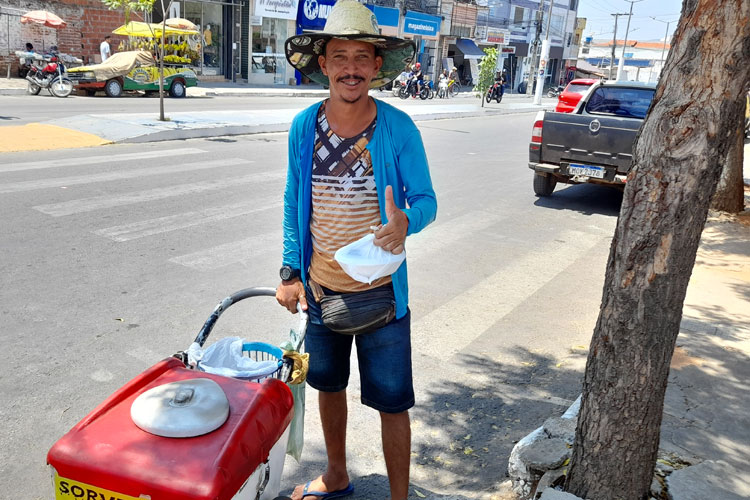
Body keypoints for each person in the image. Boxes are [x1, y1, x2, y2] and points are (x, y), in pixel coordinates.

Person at [280, 1, 437, 499]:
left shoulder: (397, 128)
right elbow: (292, 201)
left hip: (384, 298)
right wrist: (290, 271)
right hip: (323, 294)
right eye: (340, 55)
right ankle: (337, 474)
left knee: (393, 403)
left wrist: (406, 222)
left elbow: (427, 200)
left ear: (376, 66)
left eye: (361, 56)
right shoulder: (305, 127)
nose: (351, 67)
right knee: (328, 388)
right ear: (323, 64)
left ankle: (399, 497)